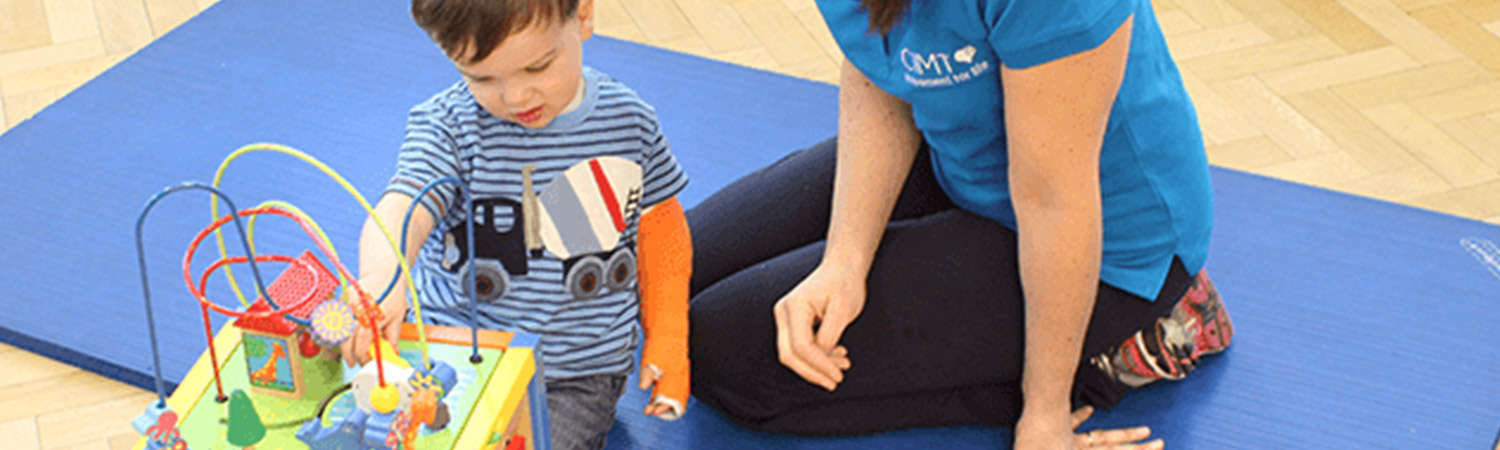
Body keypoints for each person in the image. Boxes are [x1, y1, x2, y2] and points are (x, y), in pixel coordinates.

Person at [687, 0, 1233, 448]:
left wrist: (1043, 415)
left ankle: (1123, 349)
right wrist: (844, 260)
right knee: (674, 273)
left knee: (725, 359)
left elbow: (1053, 199)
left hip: (1113, 244)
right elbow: (880, 63)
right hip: (963, 156)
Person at [340, 1, 693, 449]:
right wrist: (383, 276)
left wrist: (668, 340)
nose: (515, 98)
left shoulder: (631, 122)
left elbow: (660, 224)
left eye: (537, 67)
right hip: (455, 345)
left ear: (582, 16)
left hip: (573, 372)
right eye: (481, 78)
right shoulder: (448, 126)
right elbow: (404, 205)